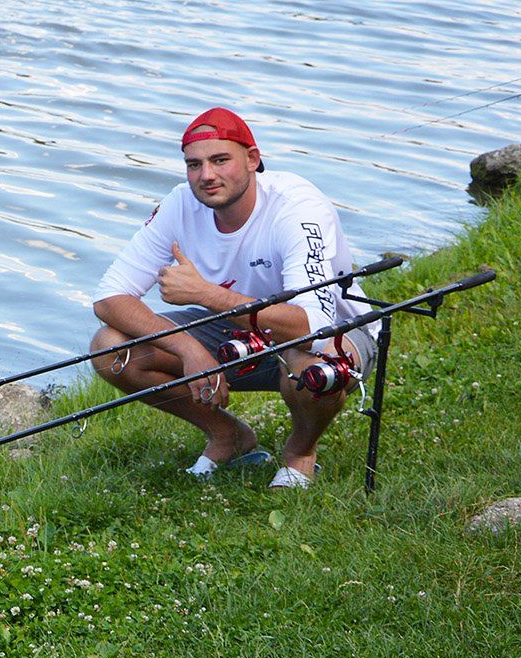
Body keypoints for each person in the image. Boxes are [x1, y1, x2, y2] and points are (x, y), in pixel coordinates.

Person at [89, 108, 375, 489]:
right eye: (194, 165)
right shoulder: (179, 204)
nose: (206, 176)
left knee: (313, 366)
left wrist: (205, 294)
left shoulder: (298, 206)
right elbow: (109, 297)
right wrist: (190, 350)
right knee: (111, 348)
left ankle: (299, 452)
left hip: (328, 335)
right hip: (233, 334)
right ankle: (229, 436)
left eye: (220, 160)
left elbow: (313, 328)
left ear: (252, 159)